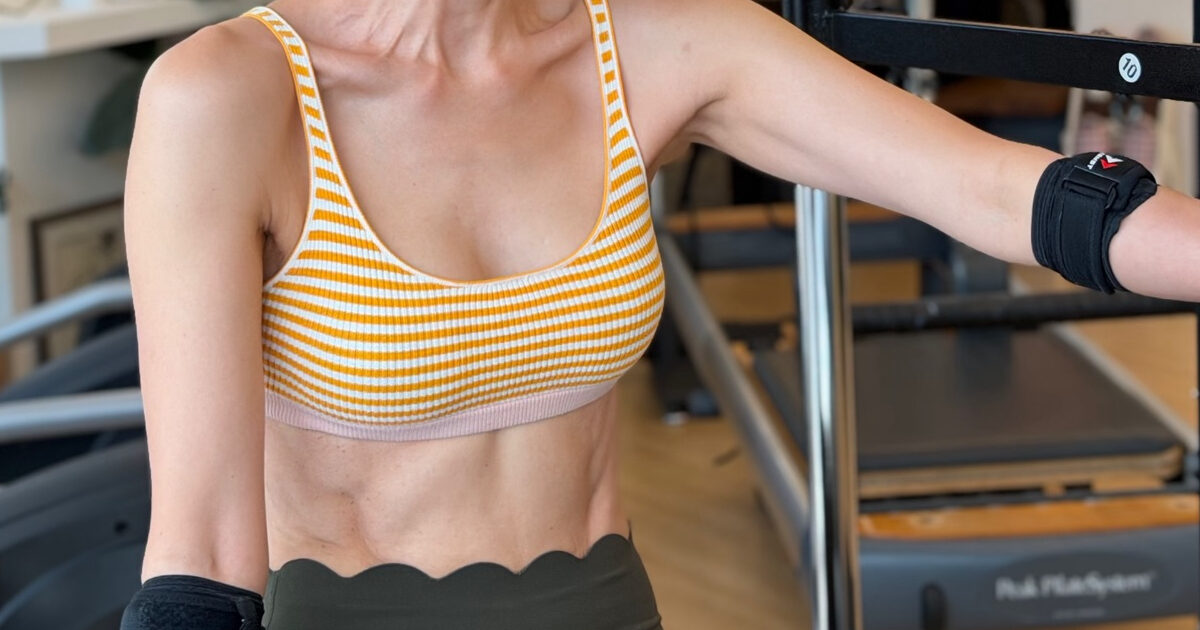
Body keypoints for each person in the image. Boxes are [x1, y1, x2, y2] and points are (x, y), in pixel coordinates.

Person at [119, 0, 1200, 628]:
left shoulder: (648, 45)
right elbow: (201, 556)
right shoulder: (226, 95)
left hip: (608, 607)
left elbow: (1012, 193)